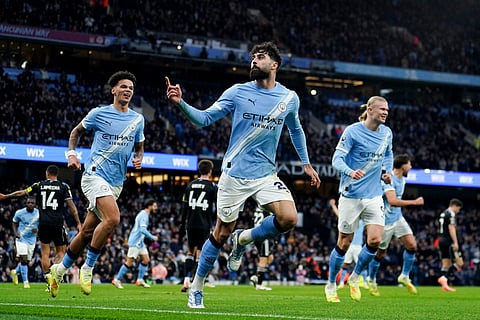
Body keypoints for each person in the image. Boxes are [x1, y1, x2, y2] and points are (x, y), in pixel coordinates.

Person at [166, 41, 320, 308]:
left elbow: (295, 130)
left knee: (288, 218)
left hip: (266, 175)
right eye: (252, 58)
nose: (253, 61)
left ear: (274, 64)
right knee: (221, 233)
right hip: (234, 174)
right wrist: (181, 103)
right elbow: (203, 119)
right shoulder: (237, 92)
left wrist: (306, 163)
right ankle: (197, 285)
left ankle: (245, 238)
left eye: (259, 57)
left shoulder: (289, 98)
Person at [49, 70, 145, 298]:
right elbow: (75, 132)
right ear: (113, 90)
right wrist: (71, 154)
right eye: (123, 86)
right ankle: (88, 267)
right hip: (93, 175)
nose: (127, 90)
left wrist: (139, 157)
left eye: (130, 88)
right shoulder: (99, 114)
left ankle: (59, 270)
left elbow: (139, 145)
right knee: (113, 219)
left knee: (86, 232)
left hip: (116, 183)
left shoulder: (137, 119)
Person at [325, 96, 393, 303]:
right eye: (382, 109)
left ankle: (354, 278)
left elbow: (389, 154)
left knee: (375, 240)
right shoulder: (352, 131)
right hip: (350, 195)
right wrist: (350, 171)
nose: (385, 112)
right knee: (343, 243)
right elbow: (336, 159)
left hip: (374, 195)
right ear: (370, 110)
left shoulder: (387, 133)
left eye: (387, 110)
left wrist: (387, 172)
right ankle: (330, 285)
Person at [0, 165, 80, 289]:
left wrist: (6, 196)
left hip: (43, 223)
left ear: (47, 174)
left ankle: (48, 277)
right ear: (56, 174)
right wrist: (78, 222)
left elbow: (22, 193)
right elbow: (71, 206)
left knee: (45, 254)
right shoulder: (64, 186)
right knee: (61, 252)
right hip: (58, 223)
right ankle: (55, 275)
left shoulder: (40, 185)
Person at [366, 153, 424, 296]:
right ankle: (371, 279)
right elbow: (392, 201)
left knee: (412, 245)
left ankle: (404, 276)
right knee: (380, 253)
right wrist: (414, 202)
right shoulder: (389, 178)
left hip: (398, 218)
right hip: (384, 221)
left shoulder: (402, 179)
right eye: (409, 164)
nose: (411, 167)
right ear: (403, 166)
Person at [178, 159, 217, 292]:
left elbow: (184, 207)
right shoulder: (212, 187)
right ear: (210, 171)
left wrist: (182, 224)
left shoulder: (190, 185)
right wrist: (213, 221)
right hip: (204, 224)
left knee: (190, 252)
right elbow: (216, 207)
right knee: (200, 253)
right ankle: (196, 281)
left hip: (191, 223)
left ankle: (186, 280)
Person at [112, 198, 158, 289]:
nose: (156, 208)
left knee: (146, 260)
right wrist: (152, 237)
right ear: (149, 206)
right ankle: (117, 280)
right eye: (155, 206)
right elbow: (142, 229)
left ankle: (140, 280)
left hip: (140, 243)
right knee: (129, 263)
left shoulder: (144, 214)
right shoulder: (144, 215)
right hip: (136, 242)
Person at [329, 198, 367, 289]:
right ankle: (342, 282)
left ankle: (365, 282)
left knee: (361, 264)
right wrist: (333, 206)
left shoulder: (362, 222)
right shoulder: (349, 220)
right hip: (349, 245)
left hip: (358, 245)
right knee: (345, 264)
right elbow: (339, 215)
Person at [10, 197, 39, 288]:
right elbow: (14, 222)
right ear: (25, 204)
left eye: (32, 203)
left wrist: (38, 230)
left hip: (32, 240)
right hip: (21, 239)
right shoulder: (19, 213)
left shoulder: (38, 213)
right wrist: (15, 233)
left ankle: (15, 271)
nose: (30, 204)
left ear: (35, 205)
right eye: (28, 203)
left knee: (27, 261)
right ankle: (26, 282)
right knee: (23, 259)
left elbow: (43, 224)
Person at [437, 198, 464, 292]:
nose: (458, 211)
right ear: (454, 206)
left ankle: (444, 286)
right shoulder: (451, 214)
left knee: (446, 264)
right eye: (458, 209)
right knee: (460, 263)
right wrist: (455, 242)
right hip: (448, 241)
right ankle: (444, 278)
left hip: (441, 240)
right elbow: (451, 228)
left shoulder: (443, 213)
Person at [250, 205, 275, 291]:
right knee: (263, 260)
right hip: (264, 235)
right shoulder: (267, 211)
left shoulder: (256, 211)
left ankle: (256, 276)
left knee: (270, 258)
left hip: (256, 234)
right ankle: (259, 284)